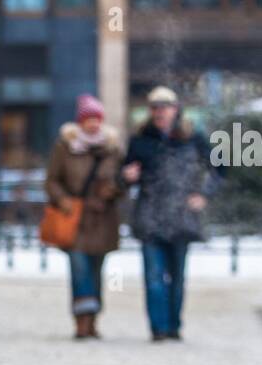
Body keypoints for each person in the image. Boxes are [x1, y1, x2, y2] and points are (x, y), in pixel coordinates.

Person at [121, 86, 217, 342]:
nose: (159, 112)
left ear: (175, 109)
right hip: (150, 217)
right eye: (154, 107)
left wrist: (203, 194)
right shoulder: (140, 140)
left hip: (181, 218)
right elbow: (125, 176)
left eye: (164, 107)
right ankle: (158, 328)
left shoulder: (193, 137)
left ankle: (174, 325)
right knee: (153, 279)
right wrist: (127, 177)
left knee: (176, 279)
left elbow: (218, 169)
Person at [44, 93, 124, 339]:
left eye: (96, 118)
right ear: (80, 121)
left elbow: (122, 182)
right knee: (79, 269)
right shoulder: (65, 146)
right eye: (88, 118)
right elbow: (52, 181)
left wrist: (113, 189)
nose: (93, 123)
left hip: (102, 219)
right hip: (75, 218)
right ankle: (81, 320)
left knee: (96, 270)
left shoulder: (113, 149)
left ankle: (94, 318)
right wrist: (63, 200)